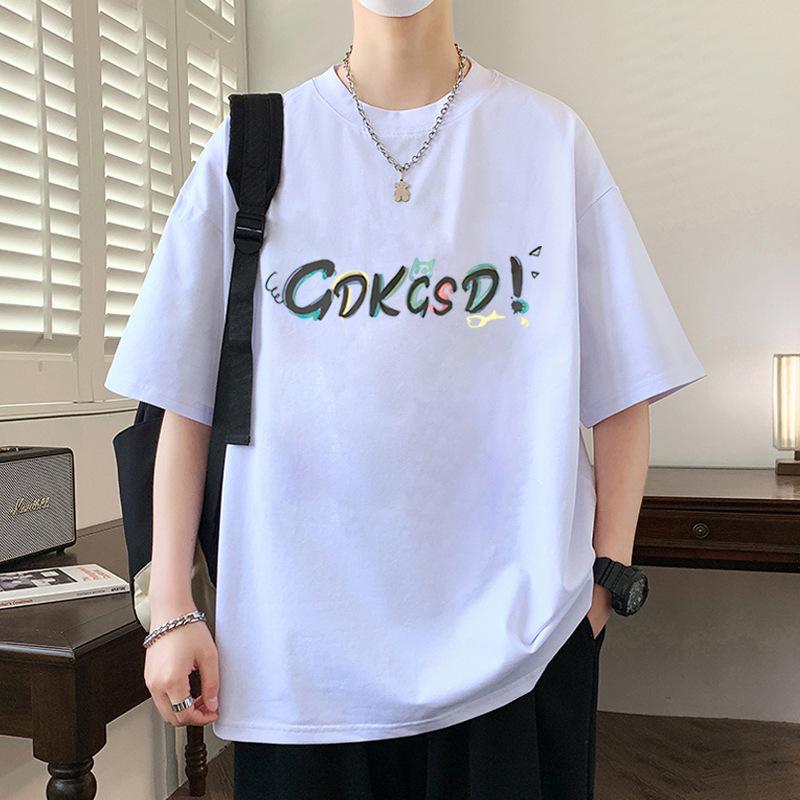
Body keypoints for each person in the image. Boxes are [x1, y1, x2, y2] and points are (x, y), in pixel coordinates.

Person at [104, 0, 707, 797]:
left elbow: (624, 388)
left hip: (519, 646)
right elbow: (184, 397)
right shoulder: (254, 145)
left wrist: (602, 583)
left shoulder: (548, 141)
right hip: (300, 658)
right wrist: (172, 607)